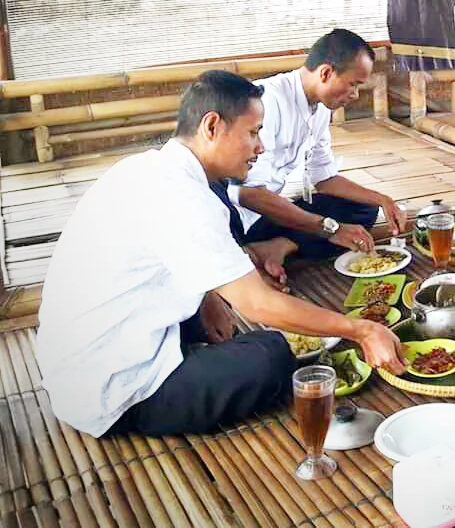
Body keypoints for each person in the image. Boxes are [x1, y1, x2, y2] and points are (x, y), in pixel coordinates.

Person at [36, 70, 405, 438]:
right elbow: (258, 305)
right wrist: (361, 329)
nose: (259, 147)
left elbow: (173, 260)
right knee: (272, 355)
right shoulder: (183, 196)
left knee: (230, 320)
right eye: (252, 133)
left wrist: (207, 295)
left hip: (81, 362)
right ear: (211, 126)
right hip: (114, 392)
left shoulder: (149, 169)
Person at [221, 29, 407, 289]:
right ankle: (261, 250)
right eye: (353, 84)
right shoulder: (269, 102)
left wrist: (383, 200)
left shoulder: (318, 108)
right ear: (326, 73)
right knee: (337, 228)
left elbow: (324, 179)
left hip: (272, 212)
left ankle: (281, 246)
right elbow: (247, 194)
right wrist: (329, 228)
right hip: (241, 221)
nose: (355, 95)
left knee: (363, 208)